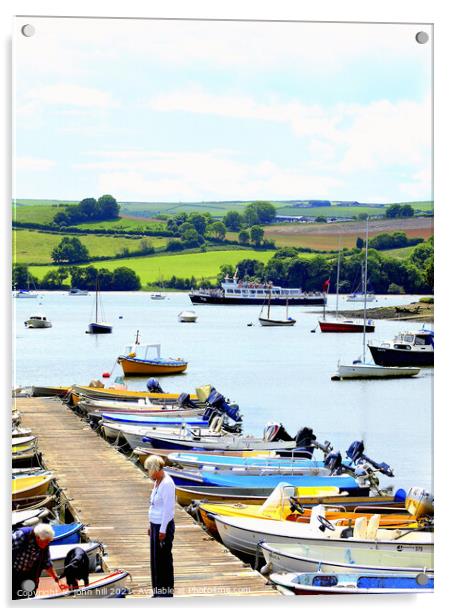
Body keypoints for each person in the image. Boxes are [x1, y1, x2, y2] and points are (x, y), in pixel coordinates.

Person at [145, 455, 175, 598]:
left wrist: (162, 530)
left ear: (155, 469)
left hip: (164, 526)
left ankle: (166, 592)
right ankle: (157, 590)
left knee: (164, 560)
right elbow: (155, 504)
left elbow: (168, 510)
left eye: (148, 470)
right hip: (155, 524)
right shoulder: (157, 481)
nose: (148, 473)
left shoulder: (167, 484)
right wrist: (151, 525)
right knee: (155, 560)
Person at [12, 523, 65, 600]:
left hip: (29, 575)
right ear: (37, 537)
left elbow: (47, 562)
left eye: (49, 541)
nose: (47, 543)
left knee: (29, 598)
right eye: (46, 541)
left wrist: (56, 578)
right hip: (13, 573)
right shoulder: (20, 536)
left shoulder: (44, 544)